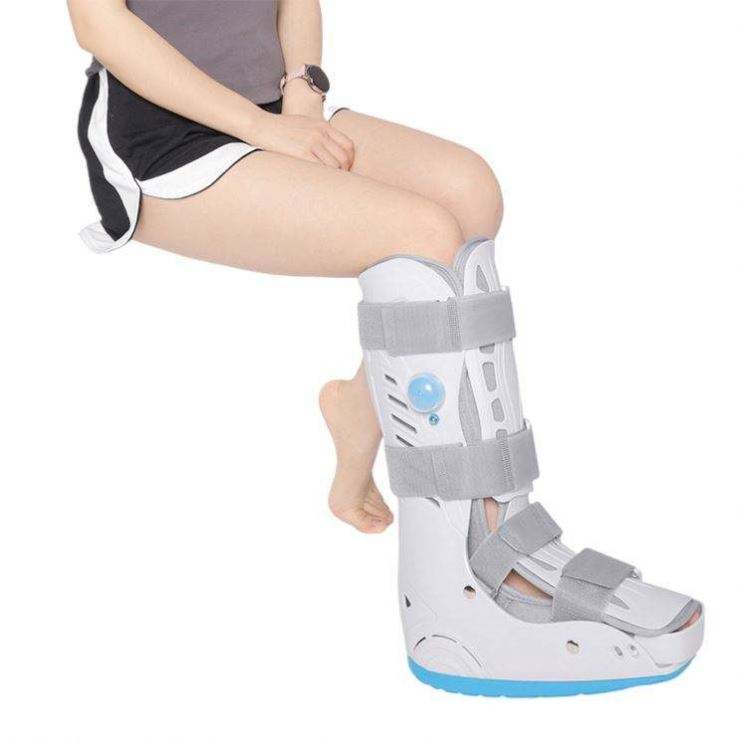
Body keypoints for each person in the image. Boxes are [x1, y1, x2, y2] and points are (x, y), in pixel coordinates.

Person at [68, 0, 702, 696]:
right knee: (420, 235)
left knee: (469, 195)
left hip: (276, 115)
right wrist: (262, 130)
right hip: (163, 142)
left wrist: (301, 99)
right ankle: (455, 587)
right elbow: (99, 23)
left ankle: (384, 423)